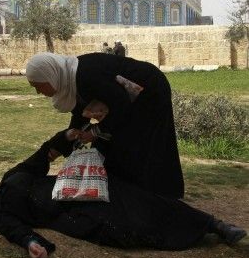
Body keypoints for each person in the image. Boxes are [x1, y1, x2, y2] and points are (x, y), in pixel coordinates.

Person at [0, 144, 247, 258]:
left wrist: (67, 138)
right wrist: (32, 243)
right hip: (71, 212)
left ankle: (215, 225)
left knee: (143, 200)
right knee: (127, 225)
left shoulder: (10, 178)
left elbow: (42, 156)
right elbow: (16, 231)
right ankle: (190, 233)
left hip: (82, 184)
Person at [25, 52, 184, 199]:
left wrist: (95, 131)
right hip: (129, 100)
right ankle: (131, 193)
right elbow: (80, 120)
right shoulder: (70, 81)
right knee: (110, 144)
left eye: (38, 86)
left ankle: (160, 197)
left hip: (149, 91)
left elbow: (120, 103)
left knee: (146, 144)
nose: (38, 92)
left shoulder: (84, 76)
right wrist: (60, 146)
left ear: (50, 75)